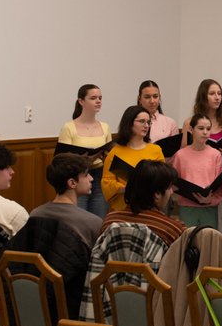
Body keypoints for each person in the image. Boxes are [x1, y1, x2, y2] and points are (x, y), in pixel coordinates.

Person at [100, 159, 186, 246]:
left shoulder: (109, 222)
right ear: (157, 194)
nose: (171, 192)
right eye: (169, 187)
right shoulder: (173, 230)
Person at [58, 83, 111, 219]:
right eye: (93, 98)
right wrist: (84, 159)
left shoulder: (105, 127)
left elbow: (110, 154)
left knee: (99, 218)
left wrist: (106, 156)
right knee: (78, 217)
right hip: (78, 177)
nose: (98, 101)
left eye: (100, 98)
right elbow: (62, 158)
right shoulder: (69, 127)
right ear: (81, 101)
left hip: (100, 175)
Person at [29, 154, 104, 249]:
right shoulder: (93, 222)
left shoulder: (35, 214)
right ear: (72, 183)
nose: (91, 178)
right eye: (86, 175)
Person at [100, 105, 165, 212]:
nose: (146, 126)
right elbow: (106, 182)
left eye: (148, 122)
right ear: (129, 123)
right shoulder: (115, 152)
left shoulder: (155, 150)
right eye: (142, 121)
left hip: (148, 207)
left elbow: (163, 179)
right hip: (123, 208)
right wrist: (128, 188)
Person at [172, 113, 222, 229]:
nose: (205, 132)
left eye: (208, 129)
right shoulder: (180, 155)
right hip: (187, 207)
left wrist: (210, 199)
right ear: (191, 130)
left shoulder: (215, 155)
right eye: (201, 128)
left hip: (209, 207)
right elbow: (174, 182)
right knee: (188, 238)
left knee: (208, 239)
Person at [183, 78, 222, 149]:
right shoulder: (189, 123)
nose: (217, 98)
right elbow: (183, 151)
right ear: (203, 97)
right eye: (212, 94)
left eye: (219, 94)